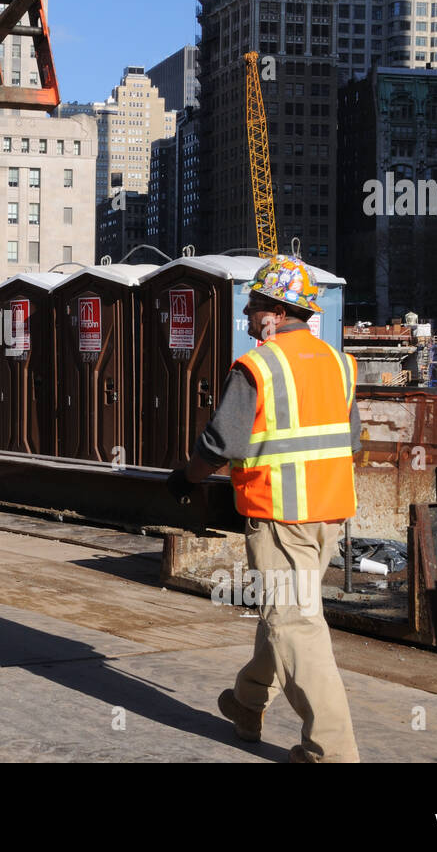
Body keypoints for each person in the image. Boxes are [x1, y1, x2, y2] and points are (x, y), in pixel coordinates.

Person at [172, 255, 362, 763]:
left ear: (276, 311)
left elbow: (220, 444)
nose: (251, 315)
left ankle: (333, 752)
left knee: (295, 626)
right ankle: (247, 703)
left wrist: (184, 478)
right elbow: (352, 443)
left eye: (255, 304)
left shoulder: (259, 365)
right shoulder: (339, 364)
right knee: (285, 615)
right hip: (328, 519)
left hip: (281, 518)